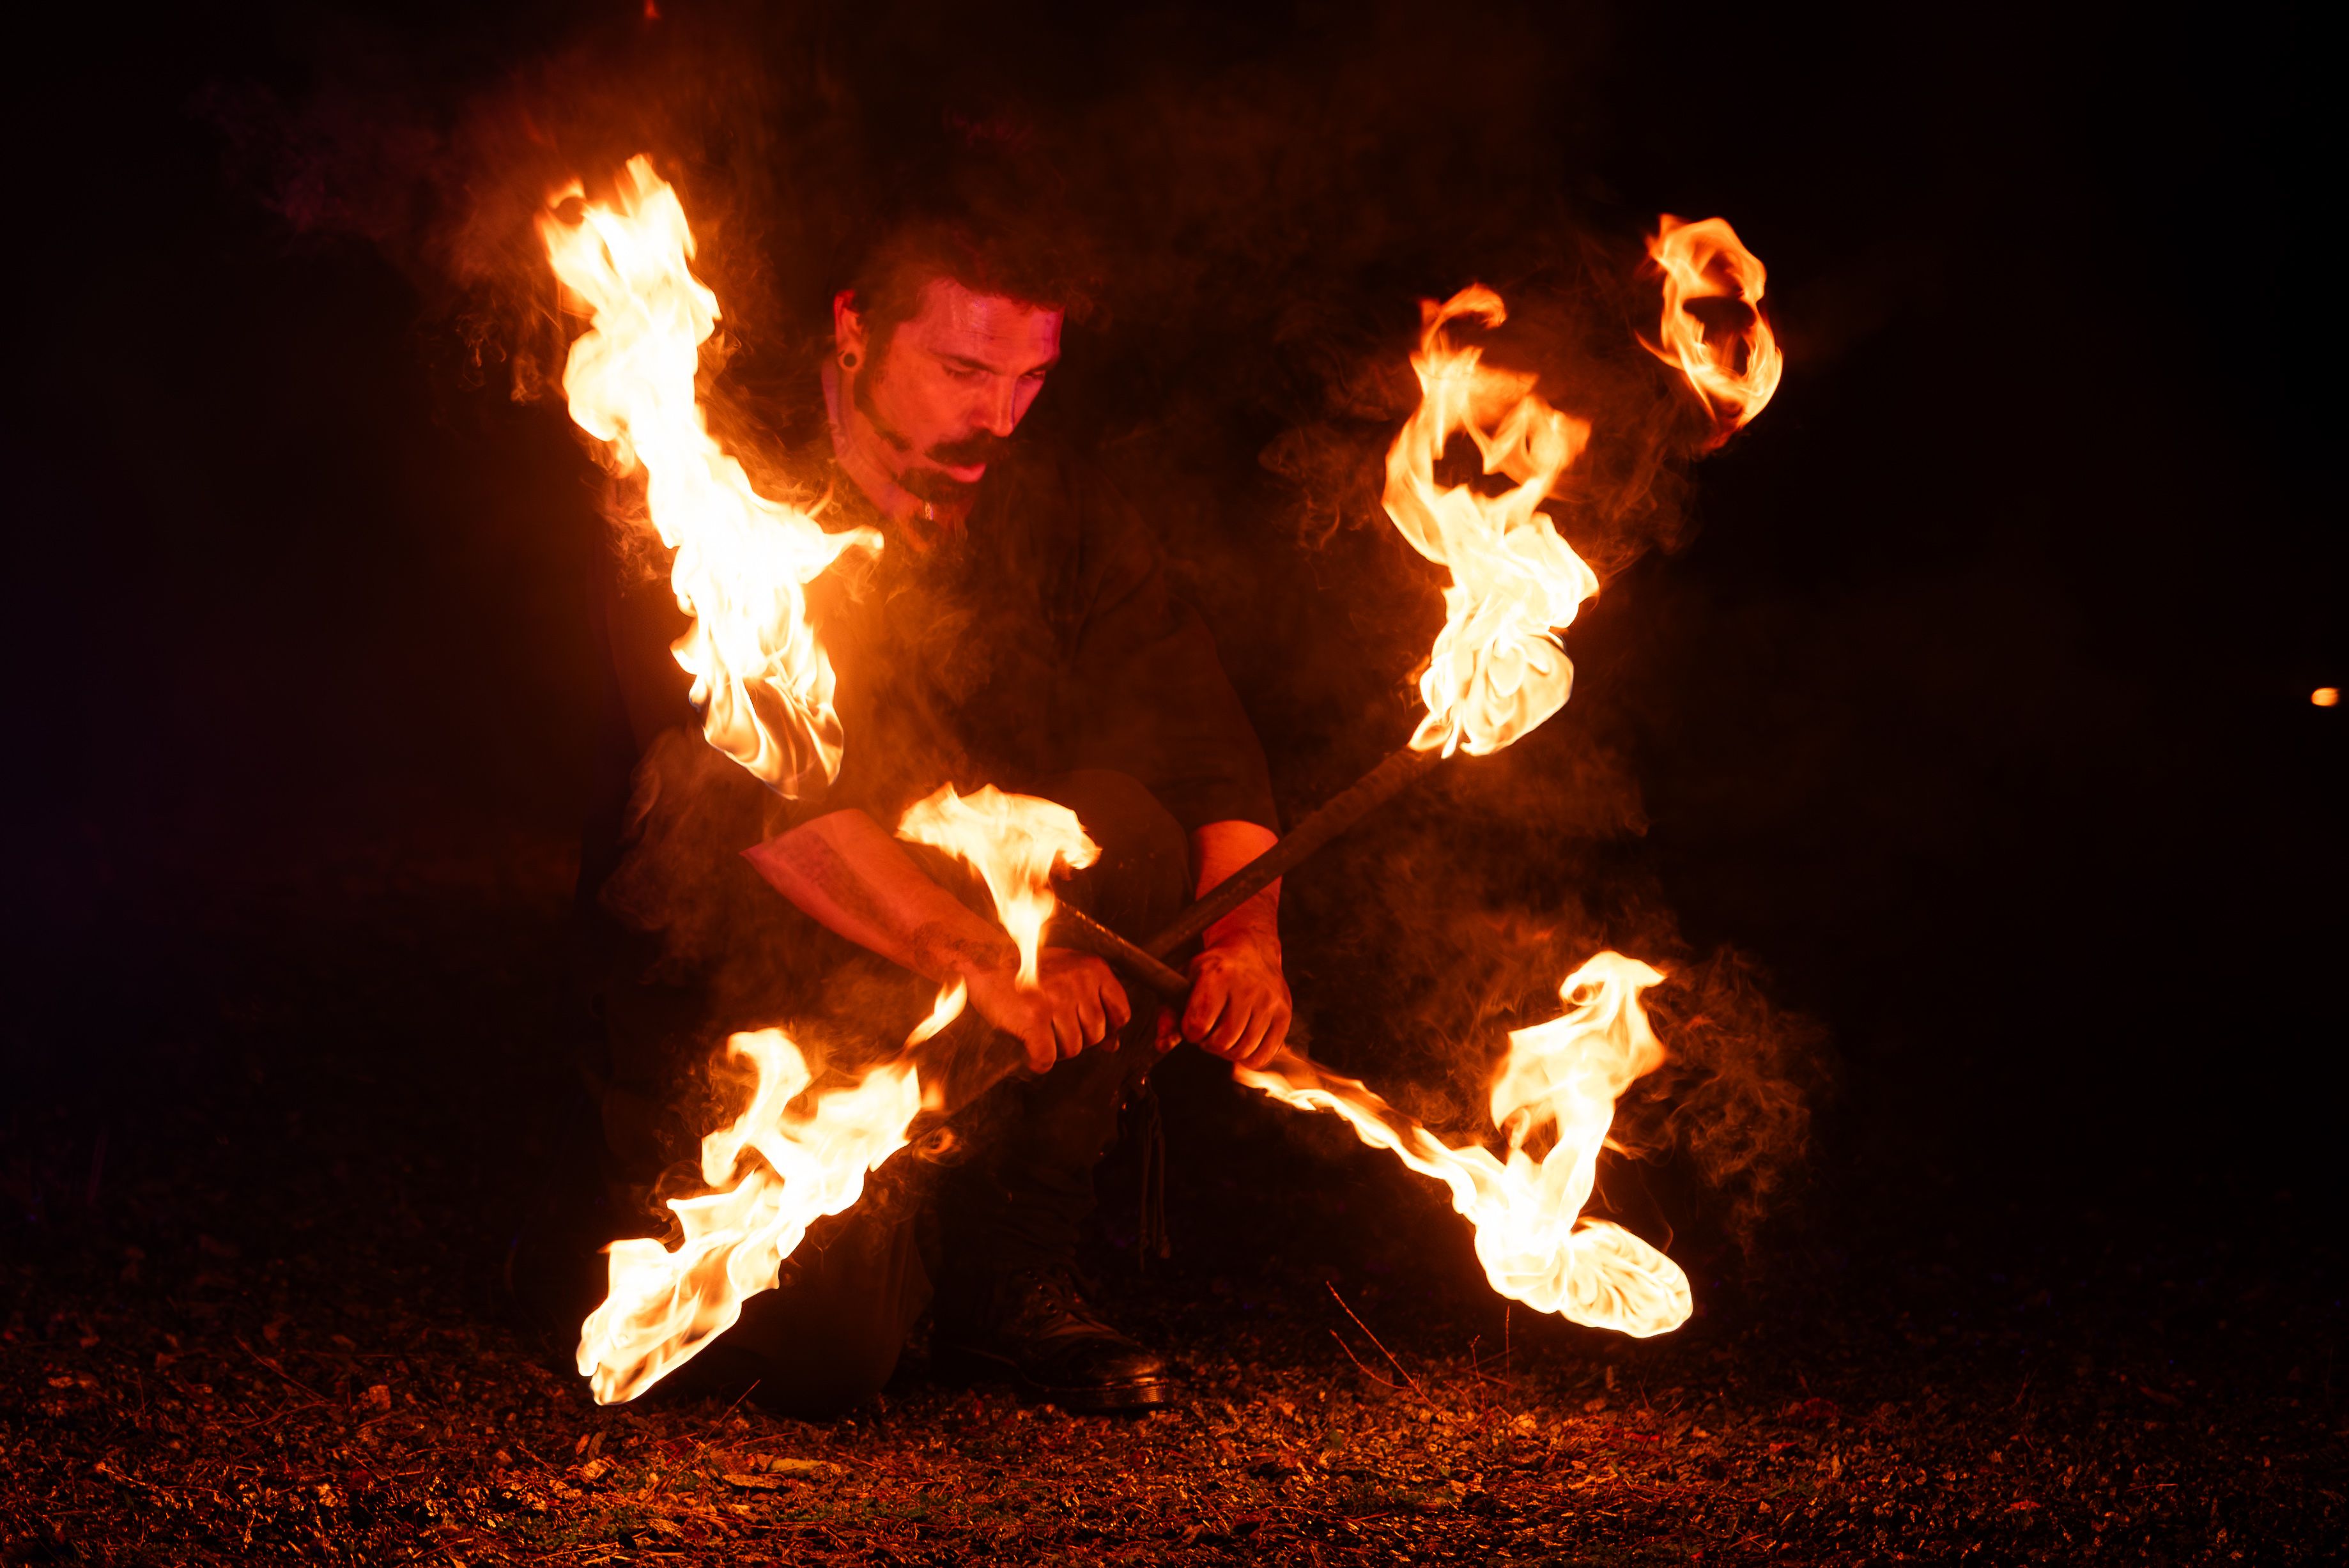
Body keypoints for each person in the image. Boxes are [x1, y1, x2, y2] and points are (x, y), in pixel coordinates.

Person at [516, 170, 1291, 1417]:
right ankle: (695, 1222)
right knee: (835, 1355)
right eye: (959, 370)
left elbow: (1207, 754)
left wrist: (1246, 941)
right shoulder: (704, 488)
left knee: (1132, 828)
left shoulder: (1058, 506)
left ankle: (1006, 1267)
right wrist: (978, 956)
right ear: (853, 327)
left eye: (1029, 379)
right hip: (754, 979)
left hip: (975, 958)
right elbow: (745, 799)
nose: (1000, 418)